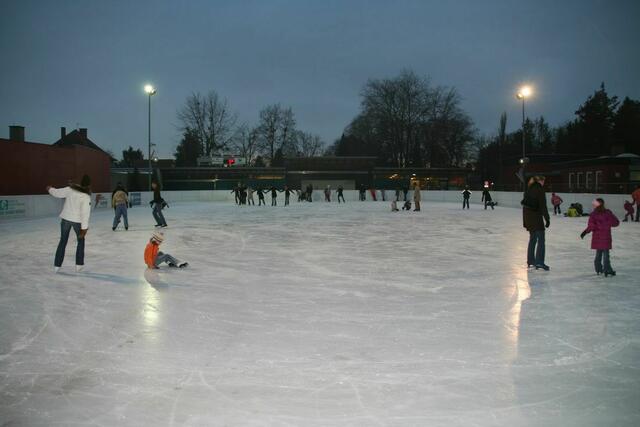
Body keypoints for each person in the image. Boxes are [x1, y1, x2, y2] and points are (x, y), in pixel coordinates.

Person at [47, 174, 91, 273]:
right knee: (81, 241)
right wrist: (84, 228)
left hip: (66, 219)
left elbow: (57, 193)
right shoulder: (85, 196)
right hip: (77, 221)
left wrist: (50, 189)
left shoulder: (70, 189)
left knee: (63, 241)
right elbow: (85, 213)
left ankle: (57, 265)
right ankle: (79, 264)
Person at [580, 198, 619, 277]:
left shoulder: (593, 214)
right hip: (606, 237)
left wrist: (585, 232)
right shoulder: (608, 213)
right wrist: (608, 223)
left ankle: (598, 269)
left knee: (598, 253)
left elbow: (591, 226)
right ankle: (607, 270)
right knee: (606, 254)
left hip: (597, 237)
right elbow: (616, 222)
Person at [522, 176, 550, 270]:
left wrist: (525, 221)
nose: (544, 183)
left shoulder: (528, 189)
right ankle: (539, 262)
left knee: (533, 239)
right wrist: (547, 218)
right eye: (543, 181)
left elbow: (524, 207)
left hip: (528, 219)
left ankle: (531, 261)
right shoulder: (539, 189)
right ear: (540, 181)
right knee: (541, 240)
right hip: (536, 219)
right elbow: (543, 206)